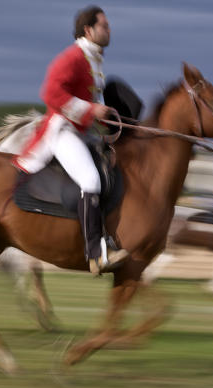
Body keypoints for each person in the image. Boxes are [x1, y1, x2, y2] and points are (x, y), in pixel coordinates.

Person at [13, 6, 127, 275]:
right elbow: (51, 93)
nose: (109, 30)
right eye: (104, 26)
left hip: (80, 131)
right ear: (89, 30)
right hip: (61, 131)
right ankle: (95, 254)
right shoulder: (74, 57)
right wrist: (91, 110)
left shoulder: (93, 59)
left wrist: (101, 118)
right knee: (91, 180)